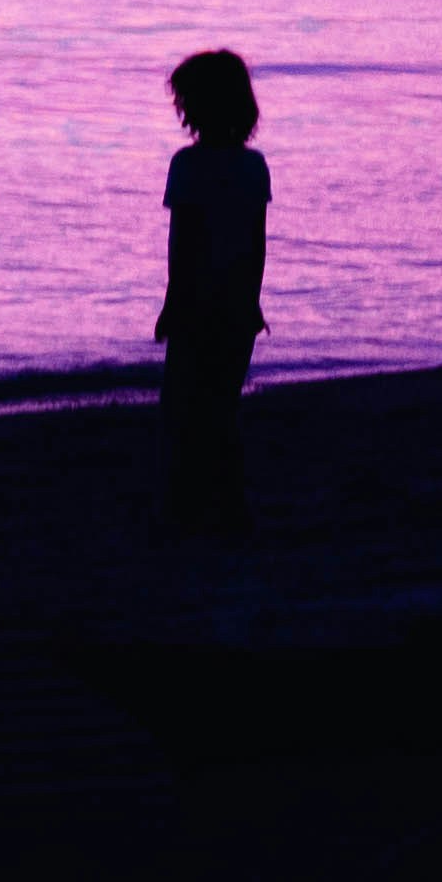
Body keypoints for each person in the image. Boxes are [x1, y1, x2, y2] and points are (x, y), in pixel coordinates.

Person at [155, 50, 271, 540]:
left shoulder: (187, 166)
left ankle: (192, 508)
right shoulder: (253, 167)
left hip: (198, 304)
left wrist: (171, 303)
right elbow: (256, 245)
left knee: (183, 406)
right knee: (221, 406)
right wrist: (250, 301)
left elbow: (182, 244)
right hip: (236, 306)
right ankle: (229, 506)